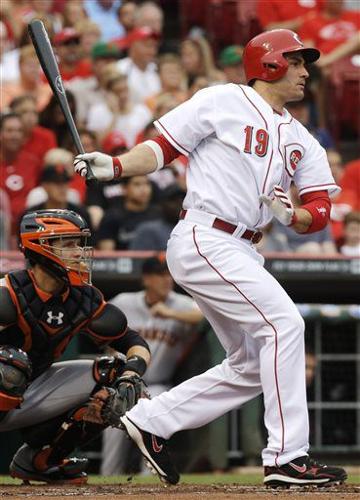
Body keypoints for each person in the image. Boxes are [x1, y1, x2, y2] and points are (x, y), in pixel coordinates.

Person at [73, 29, 347, 487]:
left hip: (243, 248)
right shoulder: (222, 100)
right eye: (297, 61)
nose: (305, 71)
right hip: (206, 234)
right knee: (285, 325)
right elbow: (162, 149)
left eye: (305, 63)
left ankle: (152, 420)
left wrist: (294, 215)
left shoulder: (304, 138)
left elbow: (320, 209)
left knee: (252, 363)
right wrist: (116, 166)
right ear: (271, 64)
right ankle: (286, 457)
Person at [0, 209, 151, 484]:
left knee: (113, 375)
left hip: (32, 390)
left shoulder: (82, 299)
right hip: (7, 382)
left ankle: (41, 460)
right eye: (68, 244)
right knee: (11, 365)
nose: (78, 252)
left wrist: (132, 373)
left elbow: (133, 342)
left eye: (78, 244)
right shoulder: (7, 294)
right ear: (40, 246)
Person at [101, 256, 203, 475]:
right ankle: (108, 479)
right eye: (160, 275)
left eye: (169, 275)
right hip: (122, 383)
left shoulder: (180, 304)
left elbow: (205, 316)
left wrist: (171, 314)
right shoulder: (124, 302)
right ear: (146, 279)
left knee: (154, 417)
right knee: (114, 426)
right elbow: (99, 322)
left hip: (156, 385)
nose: (167, 280)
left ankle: (149, 482)